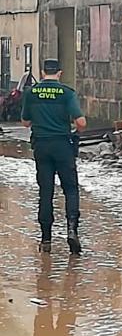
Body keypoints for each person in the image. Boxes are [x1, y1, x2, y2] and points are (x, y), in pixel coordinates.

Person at [21, 59, 86, 255]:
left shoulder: (31, 93)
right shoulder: (67, 93)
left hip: (41, 145)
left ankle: (46, 239)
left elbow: (25, 122)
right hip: (62, 146)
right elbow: (81, 122)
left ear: (42, 72)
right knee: (71, 189)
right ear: (59, 73)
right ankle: (72, 230)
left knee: (45, 191)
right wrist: (75, 131)